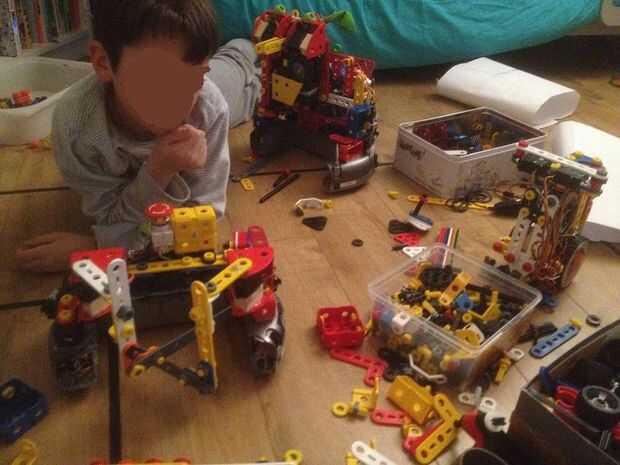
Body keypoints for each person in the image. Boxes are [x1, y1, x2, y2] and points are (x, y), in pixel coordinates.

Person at [15, 0, 261, 273]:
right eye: (157, 79)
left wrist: (97, 248)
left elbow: (200, 226)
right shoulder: (76, 128)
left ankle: (248, 46)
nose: (179, 102)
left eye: (194, 79)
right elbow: (112, 219)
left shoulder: (208, 108)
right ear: (103, 62)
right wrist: (158, 171)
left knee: (241, 68)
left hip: (224, 85)